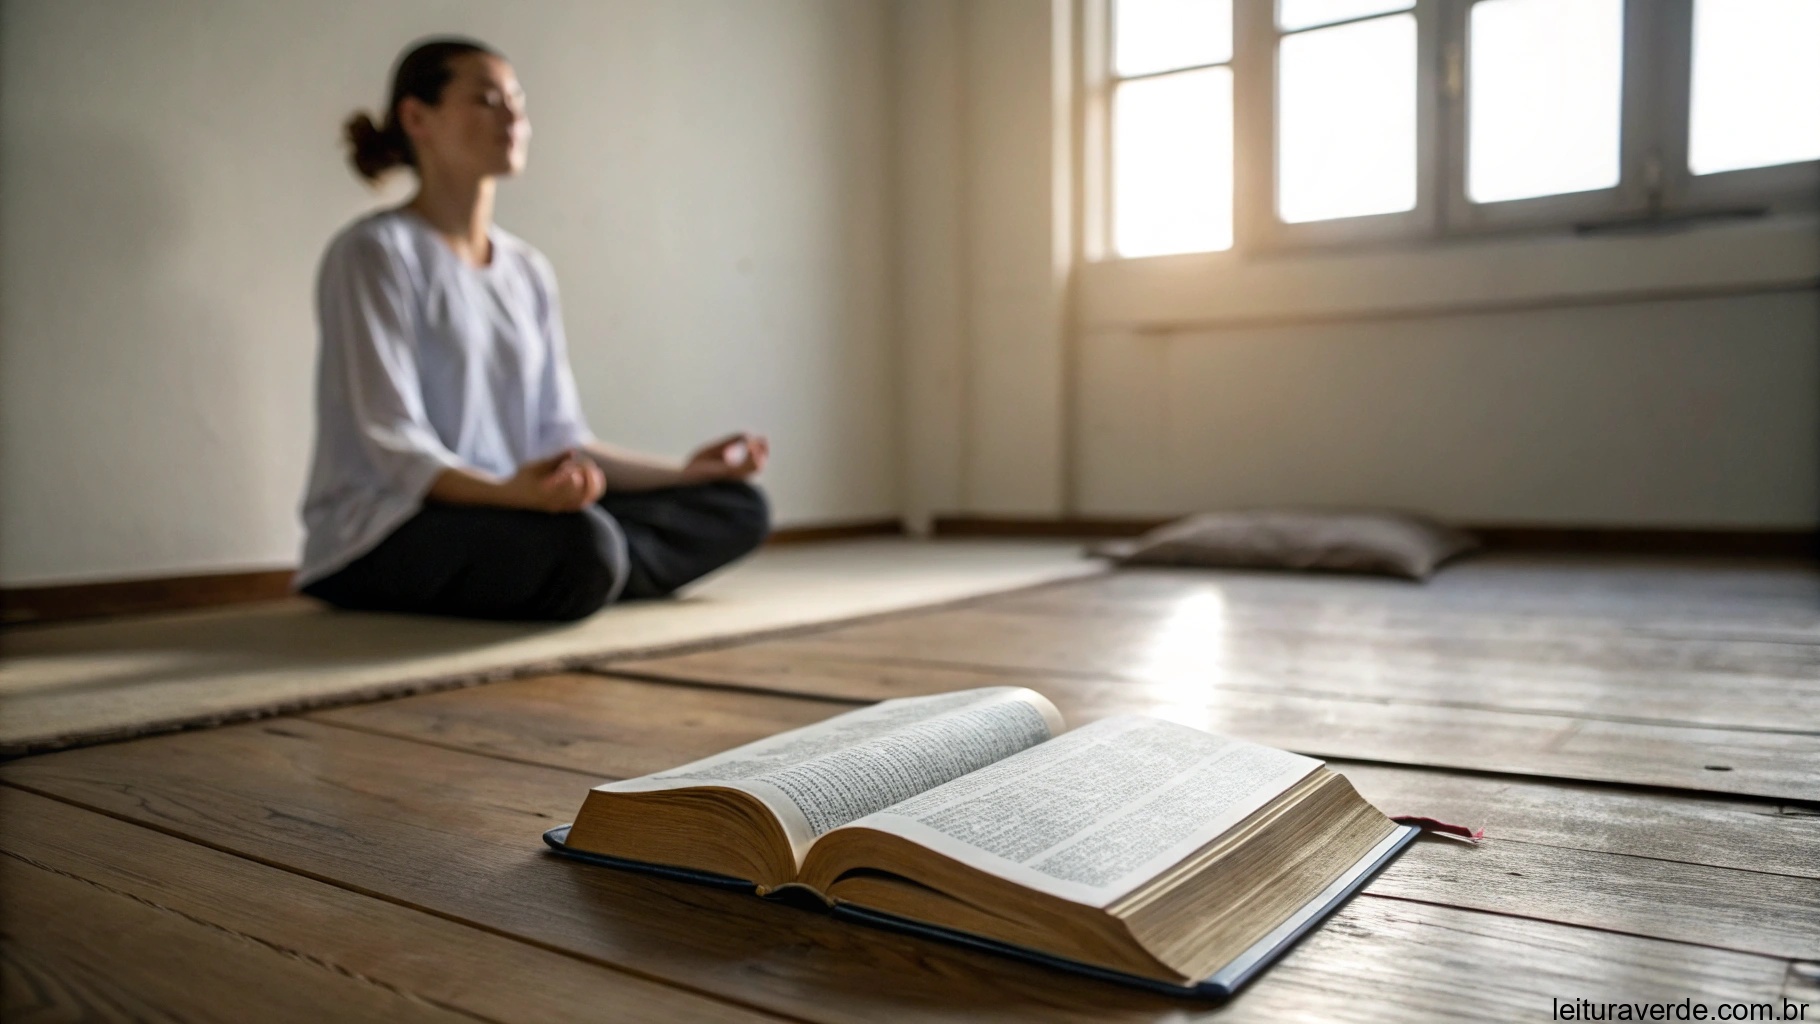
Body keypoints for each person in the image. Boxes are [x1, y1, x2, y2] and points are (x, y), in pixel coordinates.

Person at [295, 37, 770, 622]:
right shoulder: (374, 254)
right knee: (583, 546)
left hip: (515, 507)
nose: (513, 114)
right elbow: (395, 446)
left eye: (517, 99)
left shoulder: (526, 270)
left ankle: (595, 568)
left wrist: (685, 473)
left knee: (735, 506)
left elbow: (560, 439)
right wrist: (510, 495)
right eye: (487, 99)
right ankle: (597, 565)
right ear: (416, 117)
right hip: (390, 526)